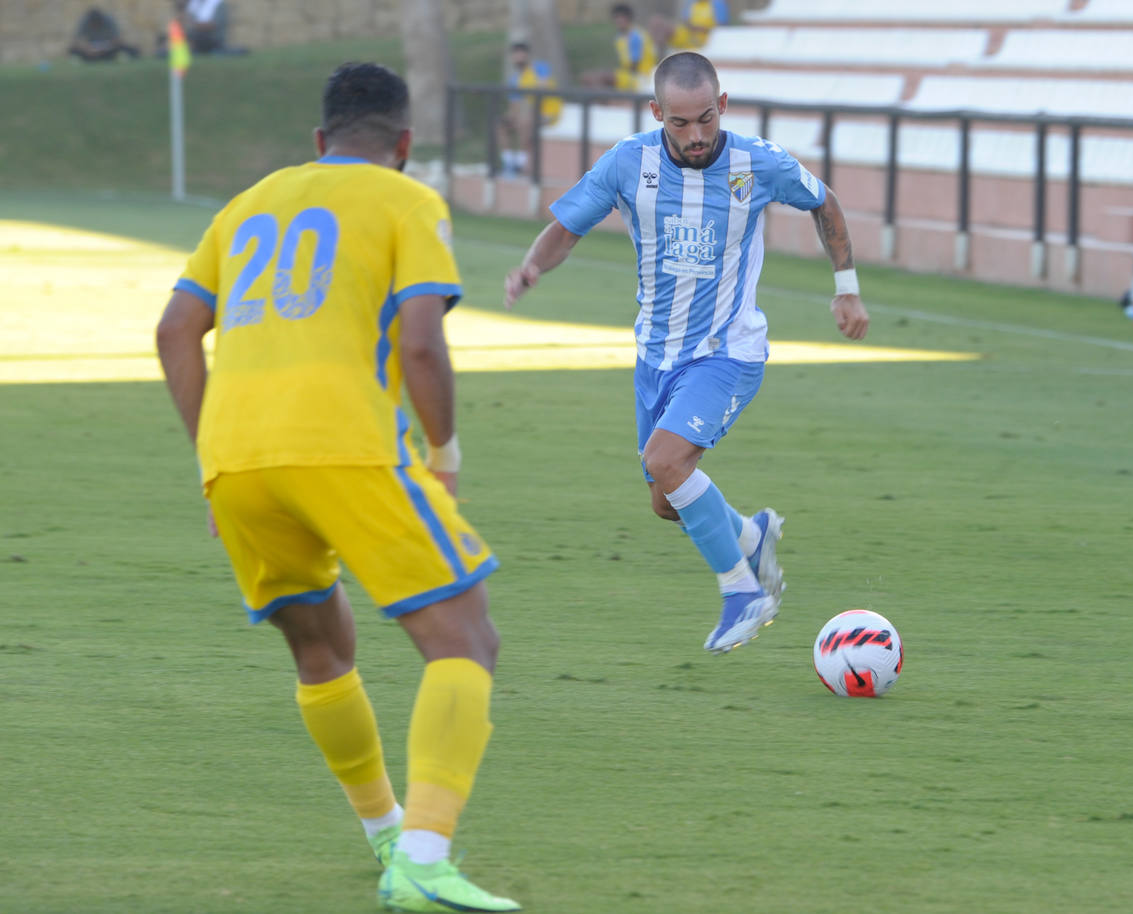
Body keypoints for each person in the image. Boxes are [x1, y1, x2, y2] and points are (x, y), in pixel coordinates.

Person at [154, 62, 519, 913]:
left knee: (322, 649)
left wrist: (213, 462)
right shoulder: (408, 200)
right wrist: (445, 450)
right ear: (404, 145)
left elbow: (176, 328)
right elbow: (422, 343)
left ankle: (386, 832)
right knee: (465, 638)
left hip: (236, 459)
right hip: (346, 446)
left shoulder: (246, 204)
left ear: (318, 142)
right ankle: (425, 863)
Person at [504, 51, 870, 655]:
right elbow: (568, 225)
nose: (697, 135)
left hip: (728, 352)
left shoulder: (758, 162)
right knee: (665, 501)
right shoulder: (629, 163)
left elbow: (823, 202)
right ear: (657, 114)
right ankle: (749, 536)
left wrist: (846, 290)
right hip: (655, 356)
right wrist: (531, 268)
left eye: (706, 118)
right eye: (681, 123)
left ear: (721, 106)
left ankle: (743, 593)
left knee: (670, 465)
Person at [501, 41, 562, 177]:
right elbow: (514, 106)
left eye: (521, 54)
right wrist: (510, 117)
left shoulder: (540, 68)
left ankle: (524, 166)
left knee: (525, 124)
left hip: (551, 112)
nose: (518, 57)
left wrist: (524, 114)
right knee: (503, 126)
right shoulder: (515, 80)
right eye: (515, 55)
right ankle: (509, 164)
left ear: (527, 55)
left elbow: (543, 87)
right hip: (533, 114)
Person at [581, 4, 656, 91]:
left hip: (642, 77)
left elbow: (634, 65)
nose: (618, 21)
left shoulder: (635, 36)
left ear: (628, 18)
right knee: (586, 77)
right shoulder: (620, 38)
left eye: (621, 17)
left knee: (601, 77)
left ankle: (608, 102)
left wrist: (615, 76)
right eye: (616, 18)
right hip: (630, 74)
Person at [650, 0, 730, 54]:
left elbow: (722, 28)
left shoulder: (717, 3)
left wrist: (701, 29)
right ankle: (657, 55)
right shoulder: (691, 2)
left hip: (707, 40)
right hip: (689, 36)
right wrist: (690, 26)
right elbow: (685, 21)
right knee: (657, 21)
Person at [67, 7, 141, 61]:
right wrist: (87, 48)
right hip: (90, 49)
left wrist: (107, 47)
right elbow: (76, 40)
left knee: (126, 48)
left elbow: (118, 39)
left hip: (108, 48)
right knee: (72, 49)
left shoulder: (109, 20)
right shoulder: (84, 21)